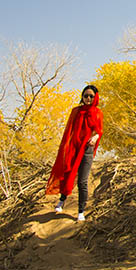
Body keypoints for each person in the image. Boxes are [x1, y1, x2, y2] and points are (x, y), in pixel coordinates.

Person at [46, 84, 103, 222]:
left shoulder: (97, 113)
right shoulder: (75, 111)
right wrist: (66, 148)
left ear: (95, 98)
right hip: (73, 148)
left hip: (87, 150)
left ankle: (81, 211)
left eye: (91, 96)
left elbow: (99, 130)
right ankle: (62, 200)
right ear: (82, 97)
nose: (88, 98)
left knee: (82, 181)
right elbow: (69, 131)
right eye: (85, 96)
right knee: (68, 173)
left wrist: (95, 137)